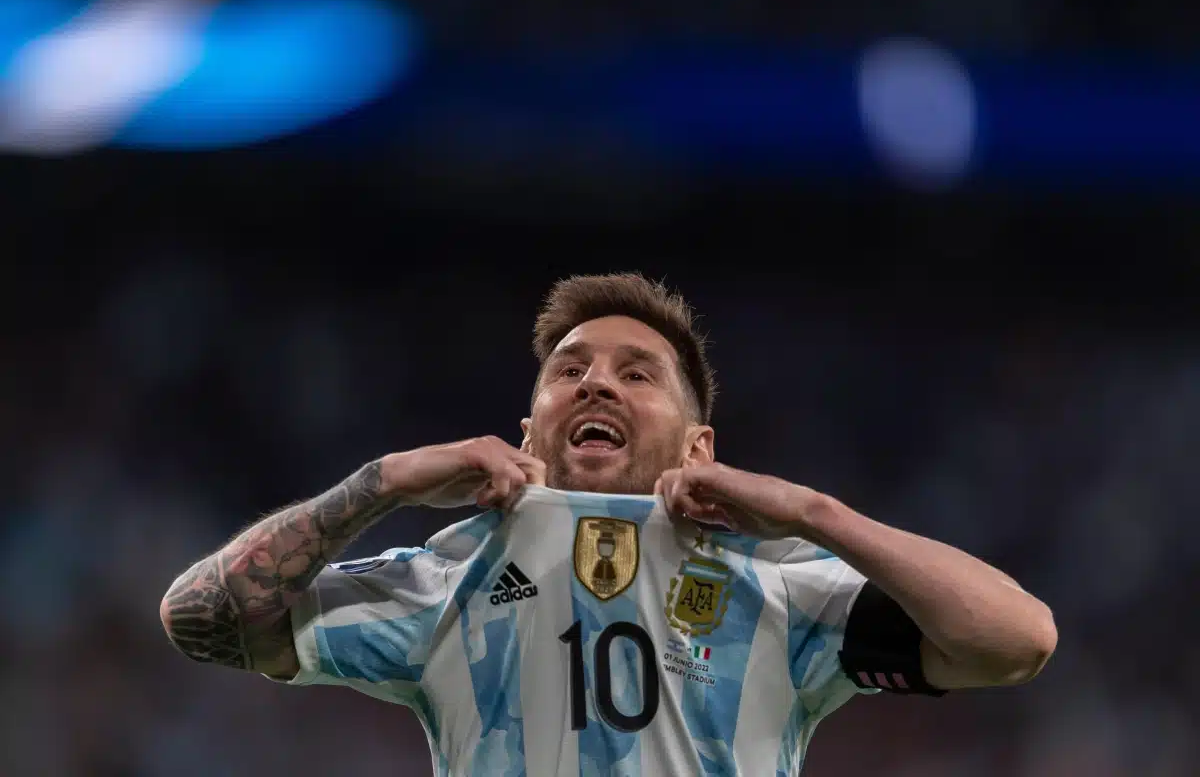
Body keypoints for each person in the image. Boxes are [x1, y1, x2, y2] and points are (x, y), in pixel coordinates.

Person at [160, 273, 1057, 775]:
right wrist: (382, 482)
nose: (595, 383)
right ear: (529, 433)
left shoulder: (784, 593)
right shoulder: (446, 578)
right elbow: (203, 621)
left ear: (700, 446)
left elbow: (1015, 641)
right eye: (570, 370)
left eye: (638, 374)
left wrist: (813, 515)